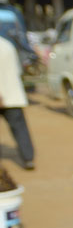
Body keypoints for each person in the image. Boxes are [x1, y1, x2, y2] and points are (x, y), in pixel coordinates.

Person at [0, 34, 35, 170]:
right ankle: (28, 158)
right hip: (13, 95)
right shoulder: (8, 45)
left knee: (19, 127)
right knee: (20, 128)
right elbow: (18, 70)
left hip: (3, 95)